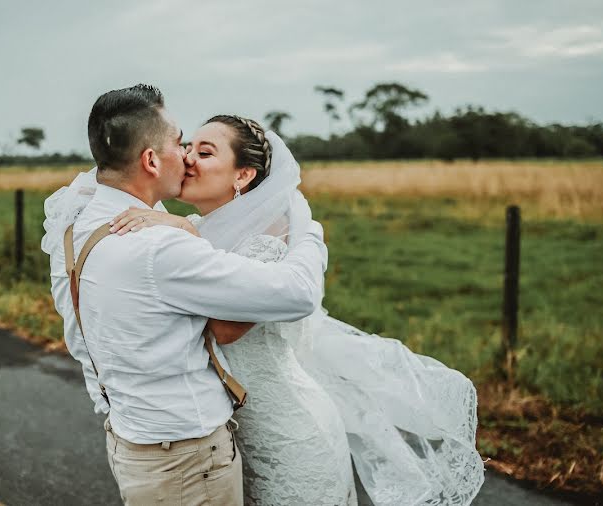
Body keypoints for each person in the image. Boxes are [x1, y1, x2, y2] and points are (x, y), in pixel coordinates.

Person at [109, 115, 486, 505]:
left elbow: (225, 329)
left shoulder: (270, 239)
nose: (188, 158)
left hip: (289, 434)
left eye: (205, 152)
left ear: (243, 176)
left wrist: (178, 231)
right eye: (188, 147)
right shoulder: (189, 228)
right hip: (228, 437)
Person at [41, 85, 329, 506]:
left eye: (201, 148)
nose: (187, 156)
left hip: (131, 437)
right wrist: (309, 226)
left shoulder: (77, 219)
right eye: (180, 142)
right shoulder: (160, 246)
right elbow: (299, 293)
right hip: (186, 458)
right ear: (151, 160)